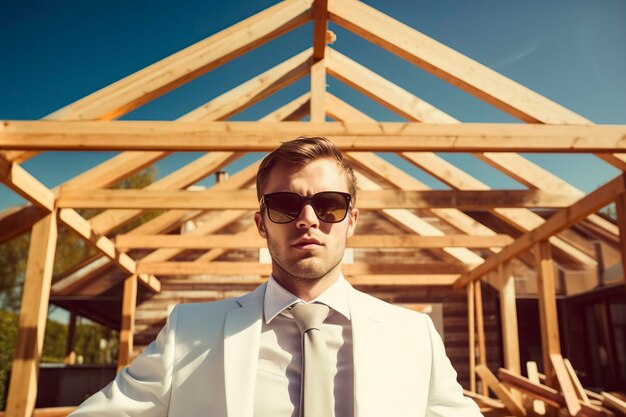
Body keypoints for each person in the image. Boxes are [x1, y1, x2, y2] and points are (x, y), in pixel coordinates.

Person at [70, 137, 482, 417]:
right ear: (261, 223)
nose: (307, 219)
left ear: (351, 221)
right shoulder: (189, 331)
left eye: (329, 205)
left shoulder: (414, 334)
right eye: (285, 204)